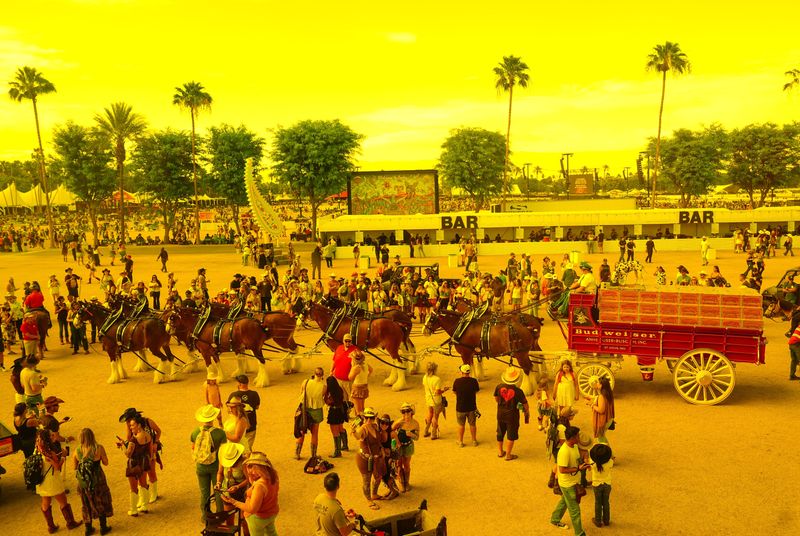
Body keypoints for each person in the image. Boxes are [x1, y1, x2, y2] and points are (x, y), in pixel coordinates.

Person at [221, 451, 280, 536]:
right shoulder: (273, 477)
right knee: (271, 533)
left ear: (260, 468)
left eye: (252, 467)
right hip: (271, 513)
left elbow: (252, 509)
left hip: (258, 518)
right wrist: (252, 480)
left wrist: (233, 501)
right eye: (248, 466)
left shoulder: (259, 486)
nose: (249, 471)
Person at [36, 429, 82, 533]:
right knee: (63, 501)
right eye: (51, 435)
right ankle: (71, 523)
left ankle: (51, 526)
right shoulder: (49, 452)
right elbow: (57, 467)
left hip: (42, 481)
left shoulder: (37, 449)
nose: (53, 436)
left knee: (45, 503)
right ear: (48, 438)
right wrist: (63, 457)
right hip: (52, 480)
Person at [550, 426, 590, 535]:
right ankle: (579, 533)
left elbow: (577, 458)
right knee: (575, 511)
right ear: (572, 437)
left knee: (564, 501)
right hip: (568, 485)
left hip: (572, 482)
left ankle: (555, 518)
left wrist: (584, 462)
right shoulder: (564, 452)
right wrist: (578, 468)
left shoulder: (575, 446)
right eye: (577, 436)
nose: (579, 437)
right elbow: (562, 470)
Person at [73, 428, 114, 535]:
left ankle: (88, 527)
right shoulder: (98, 448)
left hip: (84, 482)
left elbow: (75, 467)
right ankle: (103, 527)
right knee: (101, 500)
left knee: (86, 502)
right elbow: (106, 462)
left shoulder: (77, 451)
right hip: (97, 478)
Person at [190, 404, 227, 520]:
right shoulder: (220, 433)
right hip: (215, 466)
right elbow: (223, 451)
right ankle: (220, 514)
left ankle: (205, 515)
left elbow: (193, 447)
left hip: (200, 466)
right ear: (213, 417)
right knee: (218, 490)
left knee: (204, 492)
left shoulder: (195, 432)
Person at [352, 407, 385, 510]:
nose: (368, 420)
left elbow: (379, 440)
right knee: (366, 480)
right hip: (364, 459)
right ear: (364, 418)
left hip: (375, 458)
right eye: (366, 418)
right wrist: (353, 431)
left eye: (371, 418)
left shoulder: (375, 426)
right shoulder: (363, 428)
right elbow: (358, 436)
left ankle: (374, 494)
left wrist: (382, 450)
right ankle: (369, 500)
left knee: (378, 477)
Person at [493, 367, 529, 461]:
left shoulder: (499, 387)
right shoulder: (518, 391)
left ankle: (500, 452)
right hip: (512, 416)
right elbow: (525, 404)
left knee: (500, 433)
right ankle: (508, 455)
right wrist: (526, 412)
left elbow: (496, 399)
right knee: (511, 435)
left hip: (500, 414)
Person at [120, 414, 151, 517]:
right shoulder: (148, 435)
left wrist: (122, 447)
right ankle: (144, 505)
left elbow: (128, 454)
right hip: (144, 462)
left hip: (134, 464)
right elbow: (150, 451)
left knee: (133, 487)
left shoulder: (134, 440)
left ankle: (133, 509)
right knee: (143, 484)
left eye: (132, 425)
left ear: (139, 425)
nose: (130, 427)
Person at [296, 367, 326, 460]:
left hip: (305, 409)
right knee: (315, 433)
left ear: (314, 374)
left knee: (301, 431)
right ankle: (313, 454)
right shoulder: (323, 386)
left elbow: (301, 393)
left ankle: (297, 453)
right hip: (316, 411)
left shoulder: (306, 382)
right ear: (322, 375)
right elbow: (322, 397)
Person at [215, 443, 248, 521]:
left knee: (244, 520)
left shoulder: (244, 463)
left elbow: (249, 479)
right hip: (228, 494)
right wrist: (218, 483)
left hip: (243, 493)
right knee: (229, 518)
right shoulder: (222, 459)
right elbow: (220, 473)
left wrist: (238, 486)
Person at [228, 374, 262, 449]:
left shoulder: (233, 395)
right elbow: (257, 407)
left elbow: (229, 409)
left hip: (237, 425)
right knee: (248, 447)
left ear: (239, 384)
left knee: (237, 447)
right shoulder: (254, 394)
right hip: (251, 423)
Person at [392, 403, 419, 492]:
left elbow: (417, 437)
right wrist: (397, 441)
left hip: (408, 445)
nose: (406, 415)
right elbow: (391, 431)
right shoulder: (399, 422)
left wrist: (411, 434)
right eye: (403, 412)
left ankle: (406, 482)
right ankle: (401, 482)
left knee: (406, 465)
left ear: (411, 412)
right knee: (398, 465)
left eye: (408, 412)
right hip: (399, 446)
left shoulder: (415, 423)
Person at [452, 363, 480, 447]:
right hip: (472, 407)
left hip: (460, 407)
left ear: (462, 372)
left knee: (461, 425)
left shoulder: (457, 381)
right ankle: (474, 440)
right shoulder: (474, 381)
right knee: (472, 424)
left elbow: (454, 391)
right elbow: (476, 391)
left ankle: (460, 441)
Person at [324, 375, 350, 458]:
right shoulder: (339, 390)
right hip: (340, 410)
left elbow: (327, 402)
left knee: (335, 432)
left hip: (333, 412)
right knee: (340, 428)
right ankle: (345, 445)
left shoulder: (330, 393)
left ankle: (337, 451)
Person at [421, 361, 448, 440]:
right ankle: (433, 433)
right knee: (435, 417)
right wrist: (444, 390)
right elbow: (437, 392)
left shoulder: (425, 377)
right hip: (436, 400)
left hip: (428, 399)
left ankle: (426, 431)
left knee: (430, 413)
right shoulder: (437, 379)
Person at [589, 443, 614, 528]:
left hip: (596, 484)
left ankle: (598, 520)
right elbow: (611, 458)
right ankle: (606, 520)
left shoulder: (592, 463)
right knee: (606, 502)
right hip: (607, 484)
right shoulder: (610, 462)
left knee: (598, 503)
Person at [331, 335, 356, 401]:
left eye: (349, 341)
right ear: (343, 341)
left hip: (349, 382)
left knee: (352, 399)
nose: (347, 343)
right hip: (338, 380)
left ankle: (352, 411)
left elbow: (359, 362)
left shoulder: (355, 350)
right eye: (346, 341)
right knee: (342, 398)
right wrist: (331, 371)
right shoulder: (339, 348)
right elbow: (334, 361)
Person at [348, 351, 372, 416]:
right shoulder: (365, 364)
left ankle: (360, 424)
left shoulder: (356, 368)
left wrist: (352, 367)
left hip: (357, 388)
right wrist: (365, 376)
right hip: (364, 386)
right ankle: (361, 422)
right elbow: (371, 370)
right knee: (361, 407)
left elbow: (350, 378)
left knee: (358, 411)